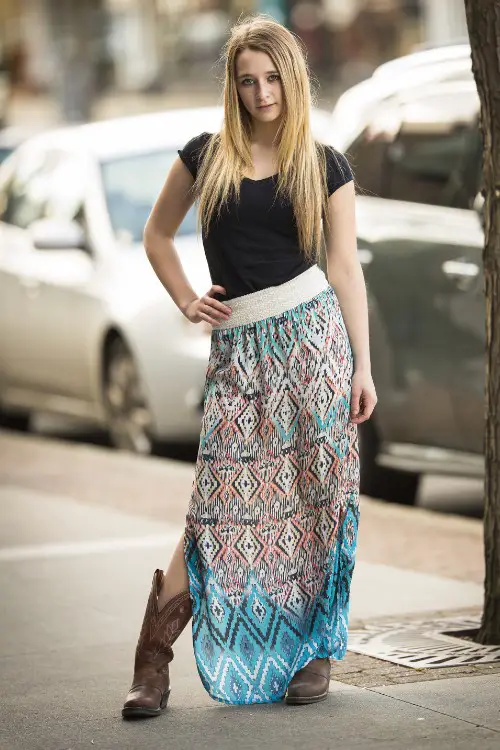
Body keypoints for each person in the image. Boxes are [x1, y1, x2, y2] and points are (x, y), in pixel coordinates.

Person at [122, 13, 376, 716]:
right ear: (233, 87)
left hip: (315, 342)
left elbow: (345, 268)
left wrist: (362, 366)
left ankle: (316, 652)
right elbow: (155, 234)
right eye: (247, 81)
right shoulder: (206, 155)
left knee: (321, 498)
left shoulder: (324, 163)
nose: (262, 92)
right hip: (240, 352)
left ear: (291, 78)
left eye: (271, 78)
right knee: (217, 508)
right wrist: (184, 299)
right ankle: (152, 662)